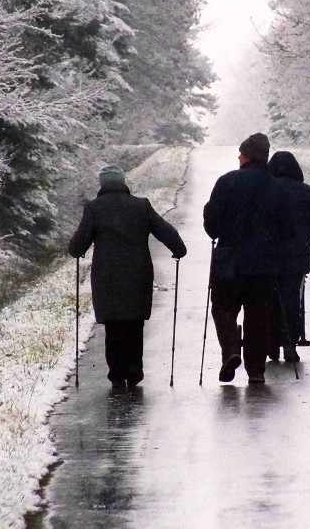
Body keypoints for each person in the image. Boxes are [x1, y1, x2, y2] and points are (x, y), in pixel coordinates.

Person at [68, 164, 186, 389]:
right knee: (134, 322)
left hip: (107, 276)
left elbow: (77, 245)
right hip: (137, 273)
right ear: (123, 182)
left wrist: (78, 249)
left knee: (113, 326)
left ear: (102, 184)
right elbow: (164, 230)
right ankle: (134, 370)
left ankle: (116, 373)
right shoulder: (140, 206)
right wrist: (178, 249)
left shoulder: (94, 208)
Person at [203, 133, 291, 384]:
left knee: (223, 308)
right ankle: (256, 370)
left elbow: (212, 226)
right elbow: (287, 229)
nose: (238, 157)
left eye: (241, 153)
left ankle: (231, 349)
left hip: (229, 262)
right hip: (264, 265)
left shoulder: (227, 182)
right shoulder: (277, 187)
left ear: (247, 157)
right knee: (258, 316)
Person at [267, 151, 310, 362]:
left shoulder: (267, 190)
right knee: (292, 298)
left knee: (268, 296)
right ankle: (290, 341)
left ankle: (270, 342)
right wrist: (304, 239)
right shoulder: (306, 192)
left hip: (268, 254)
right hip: (296, 256)